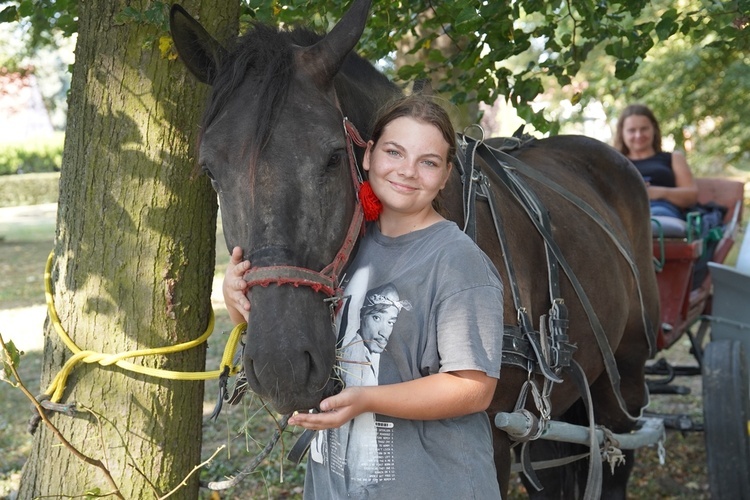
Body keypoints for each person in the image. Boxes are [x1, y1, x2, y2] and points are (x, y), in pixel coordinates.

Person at [223, 94, 505, 498]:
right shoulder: (342, 248)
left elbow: (474, 388)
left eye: (428, 162)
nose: (408, 171)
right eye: (394, 152)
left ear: (445, 176)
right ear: (368, 155)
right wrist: (236, 299)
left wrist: (367, 400)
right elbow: (295, 332)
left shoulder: (457, 262)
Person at [614, 103, 698, 219]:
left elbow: (691, 195)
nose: (638, 135)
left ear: (653, 129)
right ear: (622, 133)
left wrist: (658, 193)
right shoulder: (614, 162)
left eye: (644, 129)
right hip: (623, 215)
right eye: (632, 130)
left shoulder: (673, 158)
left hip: (662, 214)